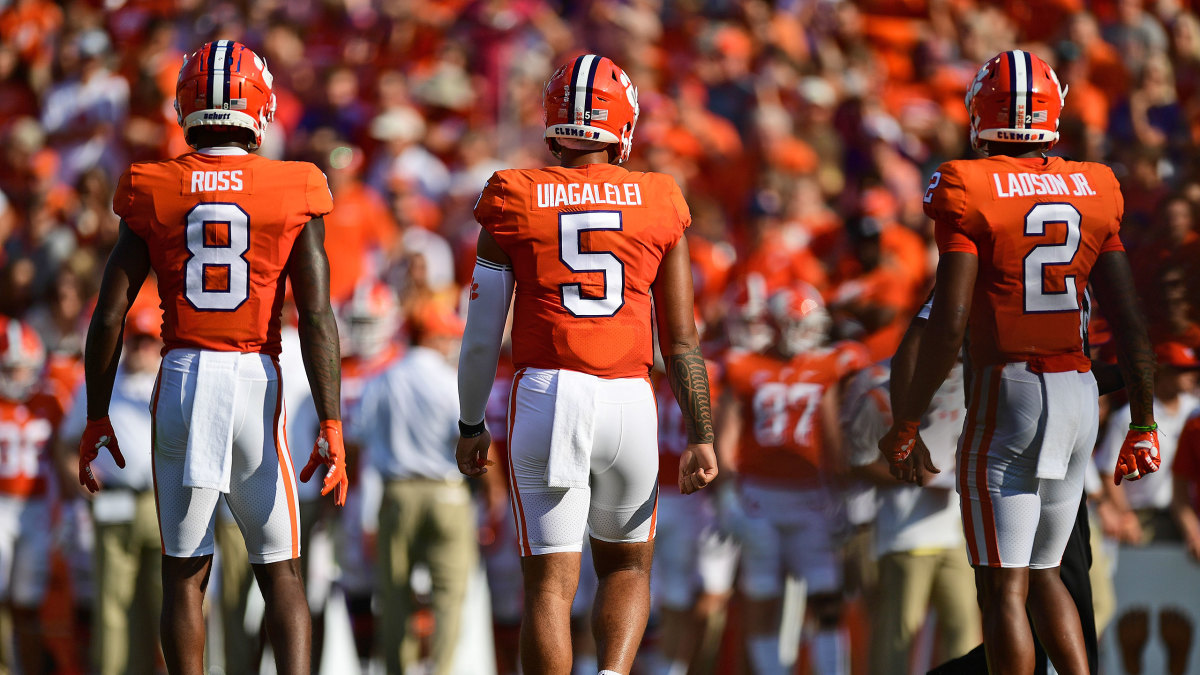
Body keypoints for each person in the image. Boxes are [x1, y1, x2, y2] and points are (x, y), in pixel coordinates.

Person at [879, 50, 1159, 675]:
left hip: (1010, 389)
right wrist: (1143, 420)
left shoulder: (968, 185)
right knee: (1046, 572)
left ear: (981, 112)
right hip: (1080, 391)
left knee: (1001, 589)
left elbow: (947, 322)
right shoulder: (1096, 185)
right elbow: (1132, 321)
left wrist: (906, 424)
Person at [77, 40, 348, 675]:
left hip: (182, 377)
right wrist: (331, 421)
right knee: (280, 570)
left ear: (185, 106)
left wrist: (96, 414)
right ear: (260, 106)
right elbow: (315, 314)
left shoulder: (153, 184)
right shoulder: (295, 184)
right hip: (256, 375)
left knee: (184, 570)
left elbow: (110, 313)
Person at [454, 54, 718, 675]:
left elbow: (481, 334)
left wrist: (471, 425)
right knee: (627, 566)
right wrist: (701, 433)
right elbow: (681, 341)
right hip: (629, 399)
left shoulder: (513, 193)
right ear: (623, 122)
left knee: (549, 585)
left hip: (547, 393)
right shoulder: (659, 196)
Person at [716, 282, 854, 675]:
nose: (811, 333)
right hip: (760, 498)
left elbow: (832, 441)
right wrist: (727, 495)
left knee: (827, 599)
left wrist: (844, 494)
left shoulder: (825, 366)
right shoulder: (744, 365)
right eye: (802, 324)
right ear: (780, 324)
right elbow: (725, 439)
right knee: (762, 597)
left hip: (811, 498)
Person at [355, 302, 475, 674]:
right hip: (447, 493)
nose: (450, 343)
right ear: (432, 336)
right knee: (449, 597)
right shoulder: (451, 379)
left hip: (398, 492)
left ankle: (398, 669)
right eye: (447, 336)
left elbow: (359, 437)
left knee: (394, 595)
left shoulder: (385, 377)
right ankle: (441, 670)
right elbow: (470, 437)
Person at [61, 304, 163, 675]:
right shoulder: (102, 379)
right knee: (113, 607)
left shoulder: (172, 379)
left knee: (171, 604)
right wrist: (81, 482)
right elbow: (66, 443)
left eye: (149, 342)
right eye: (136, 342)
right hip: (115, 502)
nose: (141, 350)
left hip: (162, 502)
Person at [0, 317, 63, 674]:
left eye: (26, 368)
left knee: (27, 601)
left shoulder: (50, 401)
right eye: (12, 368)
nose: (19, 376)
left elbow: (60, 455)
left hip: (36, 511)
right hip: (1, 505)